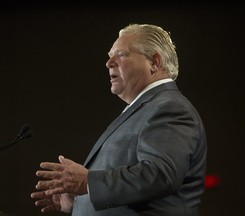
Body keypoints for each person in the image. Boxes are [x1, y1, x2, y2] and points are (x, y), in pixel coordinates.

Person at [31, 23, 207, 216]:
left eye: (121, 54)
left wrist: (88, 182)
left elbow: (159, 175)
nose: (109, 63)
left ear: (155, 62)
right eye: (109, 56)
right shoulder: (144, 109)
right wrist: (81, 201)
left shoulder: (169, 107)